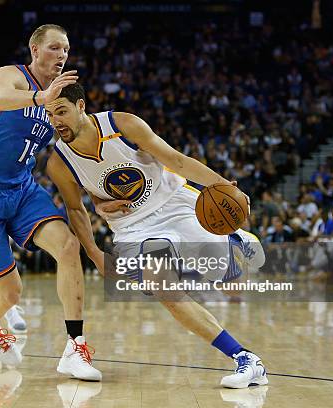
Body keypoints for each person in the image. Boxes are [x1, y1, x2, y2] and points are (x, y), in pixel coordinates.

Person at [45, 83, 267, 389]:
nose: (56, 120)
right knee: (166, 291)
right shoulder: (59, 161)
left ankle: (236, 242)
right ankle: (245, 358)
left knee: (229, 278)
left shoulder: (122, 125)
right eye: (49, 113)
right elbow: (75, 210)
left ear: (81, 106)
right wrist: (95, 253)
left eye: (61, 111)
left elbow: (175, 160)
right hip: (134, 227)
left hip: (175, 203)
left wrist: (224, 187)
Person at [0, 24, 101, 380]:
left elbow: (76, 146)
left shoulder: (58, 99)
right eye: (54, 48)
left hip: (22, 190)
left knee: (68, 246)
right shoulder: (12, 77)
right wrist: (40, 97)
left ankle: (75, 346)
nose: (61, 55)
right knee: (11, 292)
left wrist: (104, 192)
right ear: (34, 50)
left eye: (65, 49)